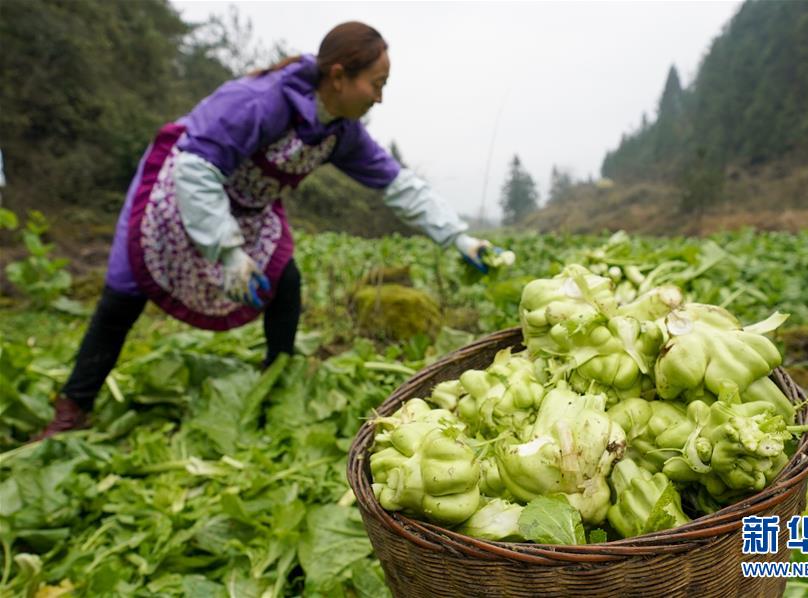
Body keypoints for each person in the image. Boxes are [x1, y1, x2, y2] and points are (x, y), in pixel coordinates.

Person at [34, 22, 497, 440]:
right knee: (125, 292)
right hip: (182, 190)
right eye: (376, 84)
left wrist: (459, 237)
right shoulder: (260, 101)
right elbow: (196, 167)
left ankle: (277, 381)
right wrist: (228, 252)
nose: (379, 98)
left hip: (249, 207)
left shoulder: (339, 131)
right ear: (339, 76)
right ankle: (73, 408)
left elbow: (399, 185)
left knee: (284, 280)